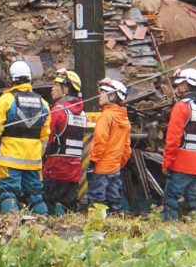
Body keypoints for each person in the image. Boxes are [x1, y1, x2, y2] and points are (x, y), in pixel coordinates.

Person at [0, 60, 51, 215]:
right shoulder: (44, 103)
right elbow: (45, 136)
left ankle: (10, 226)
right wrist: (37, 155)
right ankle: (44, 226)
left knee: (9, 193)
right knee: (35, 195)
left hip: (9, 158)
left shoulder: (6, 100)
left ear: (11, 79)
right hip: (33, 160)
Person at [161, 67, 196, 220]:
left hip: (182, 163)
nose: (177, 88)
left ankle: (169, 230)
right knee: (195, 200)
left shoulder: (182, 107)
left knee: (171, 198)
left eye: (179, 84)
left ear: (185, 85)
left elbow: (173, 139)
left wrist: (167, 162)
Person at [43, 69, 90, 215]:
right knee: (71, 208)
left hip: (55, 169)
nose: (52, 88)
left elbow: (47, 139)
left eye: (56, 84)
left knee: (48, 204)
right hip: (74, 170)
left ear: (66, 89)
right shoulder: (82, 114)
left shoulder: (57, 111)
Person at [87, 78, 132, 213]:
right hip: (115, 168)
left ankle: (96, 228)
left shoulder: (106, 116)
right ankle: (116, 227)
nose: (99, 96)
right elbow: (127, 149)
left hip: (101, 167)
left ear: (112, 96)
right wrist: (117, 164)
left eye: (102, 92)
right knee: (114, 200)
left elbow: (100, 141)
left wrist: (93, 161)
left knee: (96, 200)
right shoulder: (124, 119)